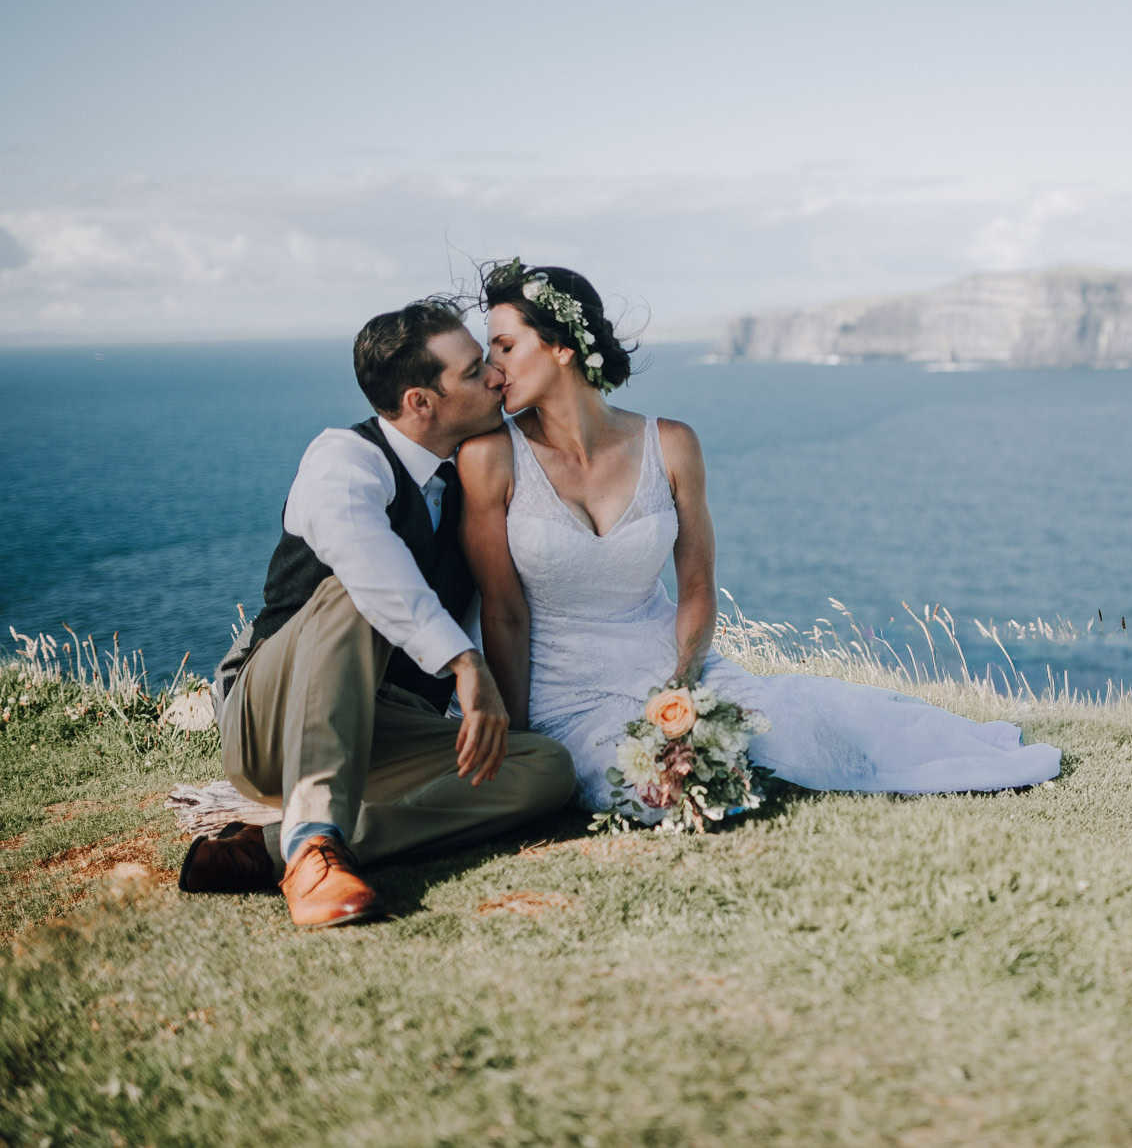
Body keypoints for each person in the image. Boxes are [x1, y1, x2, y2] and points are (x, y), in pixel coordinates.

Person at [457, 260, 1061, 815]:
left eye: (506, 346)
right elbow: (503, 614)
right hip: (566, 696)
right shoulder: (491, 459)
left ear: (562, 347)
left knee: (801, 735)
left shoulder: (670, 445)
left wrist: (683, 683)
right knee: (661, 792)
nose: (492, 369)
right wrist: (521, 735)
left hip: (673, 669)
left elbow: (696, 585)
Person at [182, 300, 578, 927]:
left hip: (385, 726)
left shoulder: (474, 475)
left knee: (544, 768)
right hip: (271, 718)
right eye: (476, 372)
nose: (496, 378)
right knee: (351, 589)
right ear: (422, 402)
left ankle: (272, 848)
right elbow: (365, 558)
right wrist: (464, 662)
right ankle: (312, 845)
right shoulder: (342, 458)